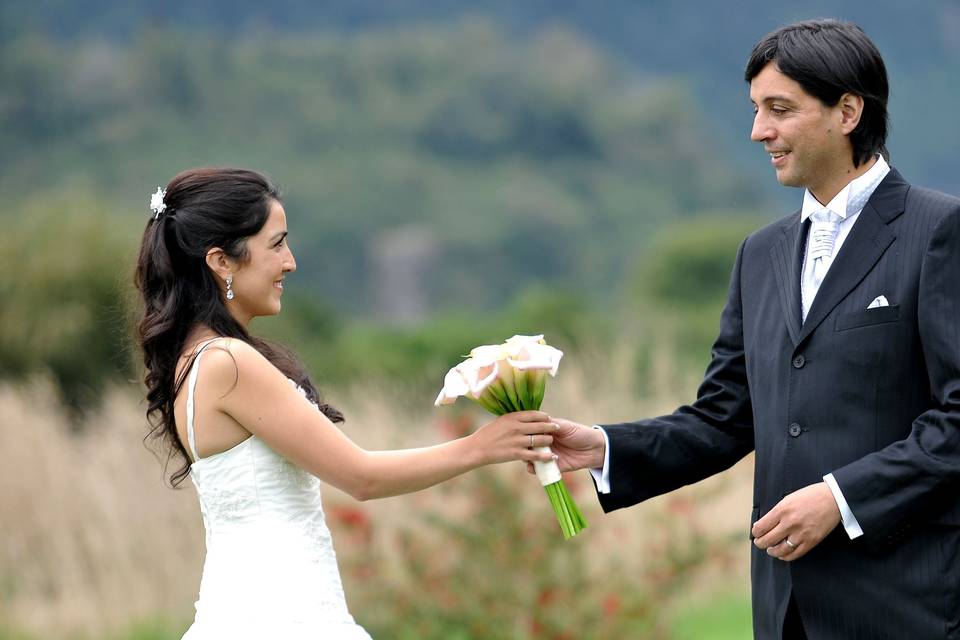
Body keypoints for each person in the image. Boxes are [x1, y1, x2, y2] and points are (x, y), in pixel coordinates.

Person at [544, 19, 960, 640]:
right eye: (756, 109)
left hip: (910, 605)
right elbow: (723, 418)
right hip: (784, 608)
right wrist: (604, 446)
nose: (758, 130)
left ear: (847, 111)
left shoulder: (940, 231)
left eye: (779, 109)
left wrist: (840, 499)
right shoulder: (759, 254)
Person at [133, 167, 558, 639]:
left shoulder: (195, 360)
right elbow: (362, 476)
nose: (290, 262)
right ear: (222, 261)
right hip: (282, 619)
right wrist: (482, 446)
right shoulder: (229, 362)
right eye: (276, 244)